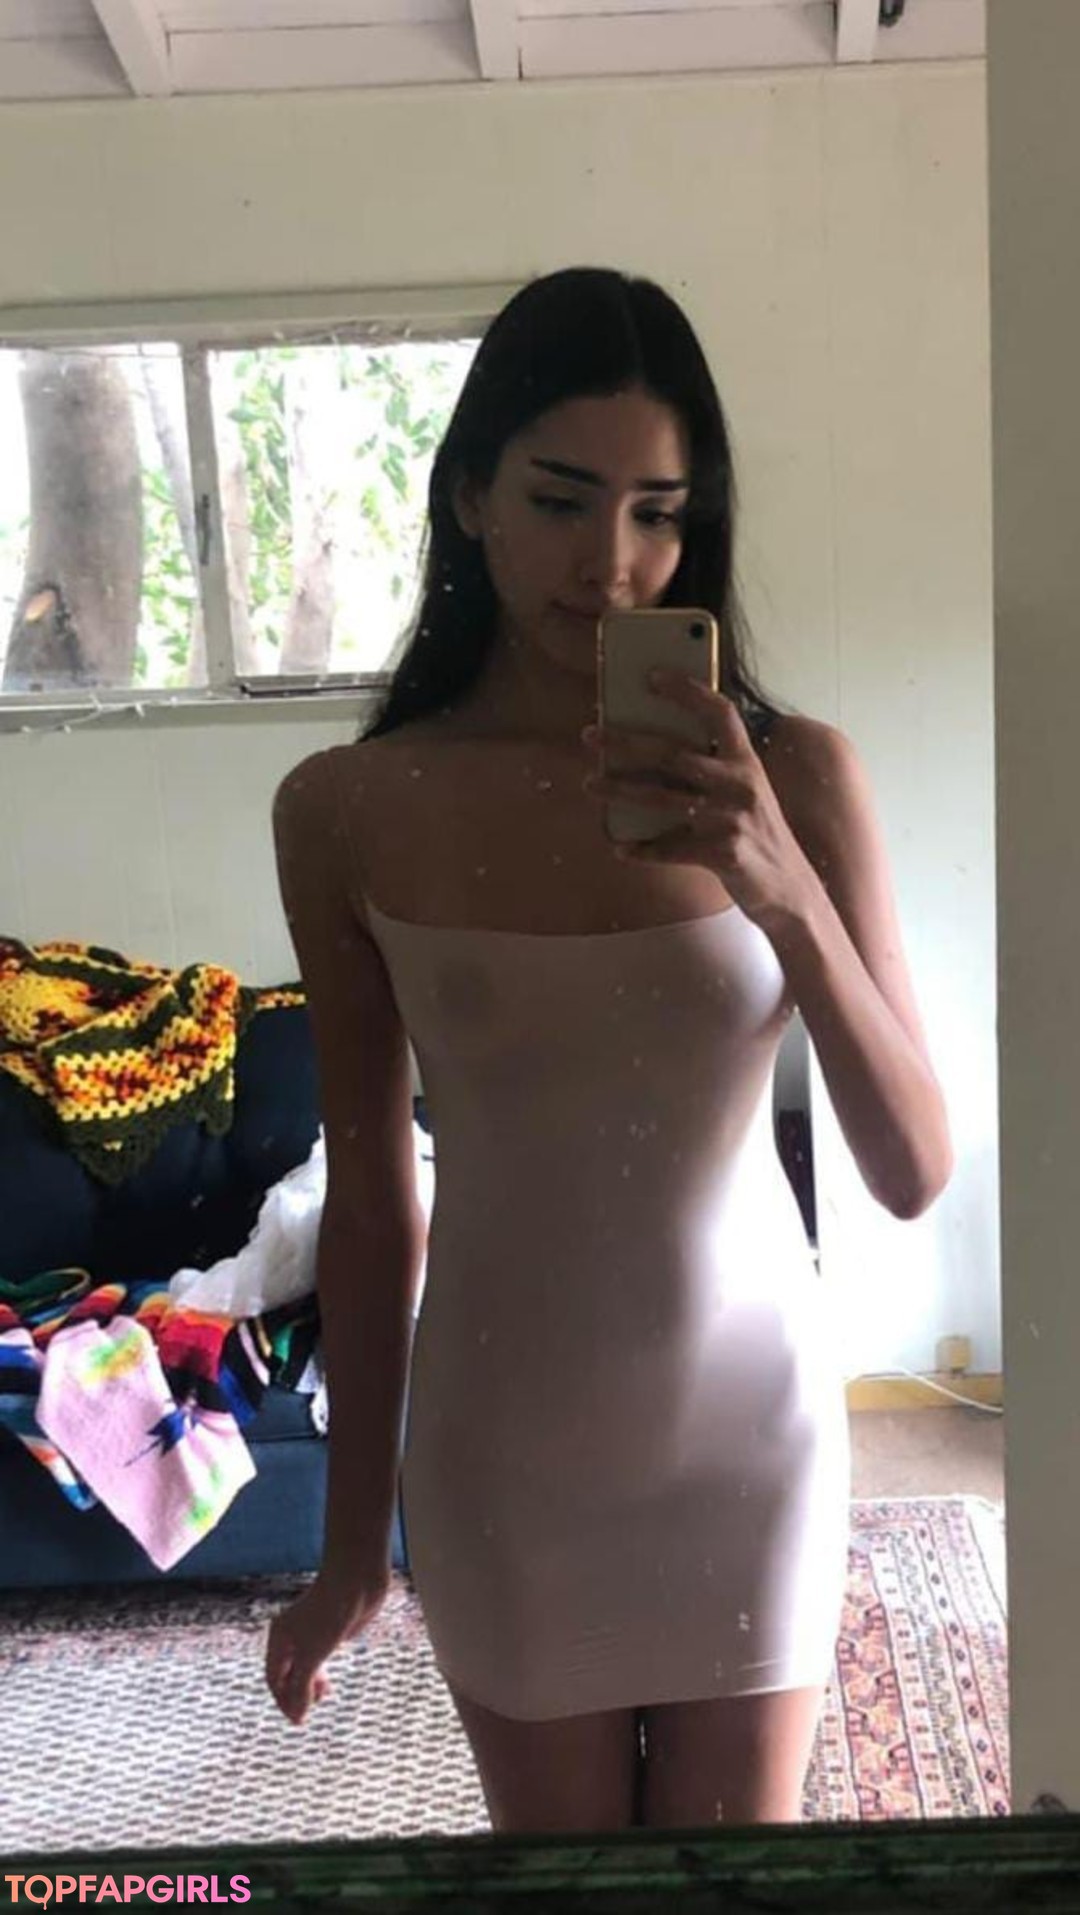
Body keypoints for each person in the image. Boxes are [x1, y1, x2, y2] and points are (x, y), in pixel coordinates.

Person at [265, 266, 953, 1834]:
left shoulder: (800, 779)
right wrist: (351, 1547)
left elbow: (914, 1168)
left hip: (752, 1436)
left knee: (735, 1881)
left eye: (658, 512)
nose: (614, 562)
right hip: (502, 1447)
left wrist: (783, 890)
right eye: (562, 500)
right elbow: (372, 1205)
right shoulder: (349, 811)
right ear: (469, 499)